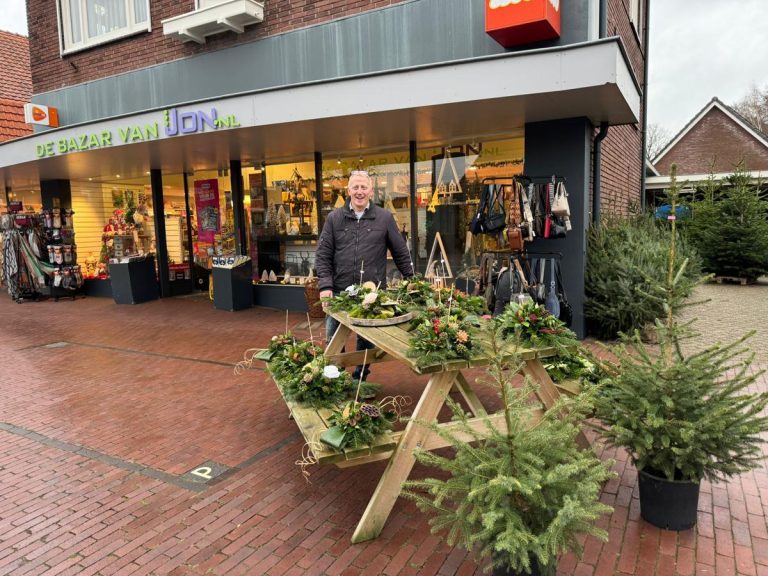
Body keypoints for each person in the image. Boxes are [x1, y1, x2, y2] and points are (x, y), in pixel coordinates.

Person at [315, 170, 414, 381]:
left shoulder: (384, 218)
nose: (359, 191)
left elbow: (400, 252)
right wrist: (325, 286)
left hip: (371, 293)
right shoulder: (334, 218)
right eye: (355, 187)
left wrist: (412, 280)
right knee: (333, 338)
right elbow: (323, 255)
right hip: (339, 291)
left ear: (370, 191)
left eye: (363, 187)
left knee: (367, 338)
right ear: (348, 190)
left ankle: (360, 378)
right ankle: (338, 379)